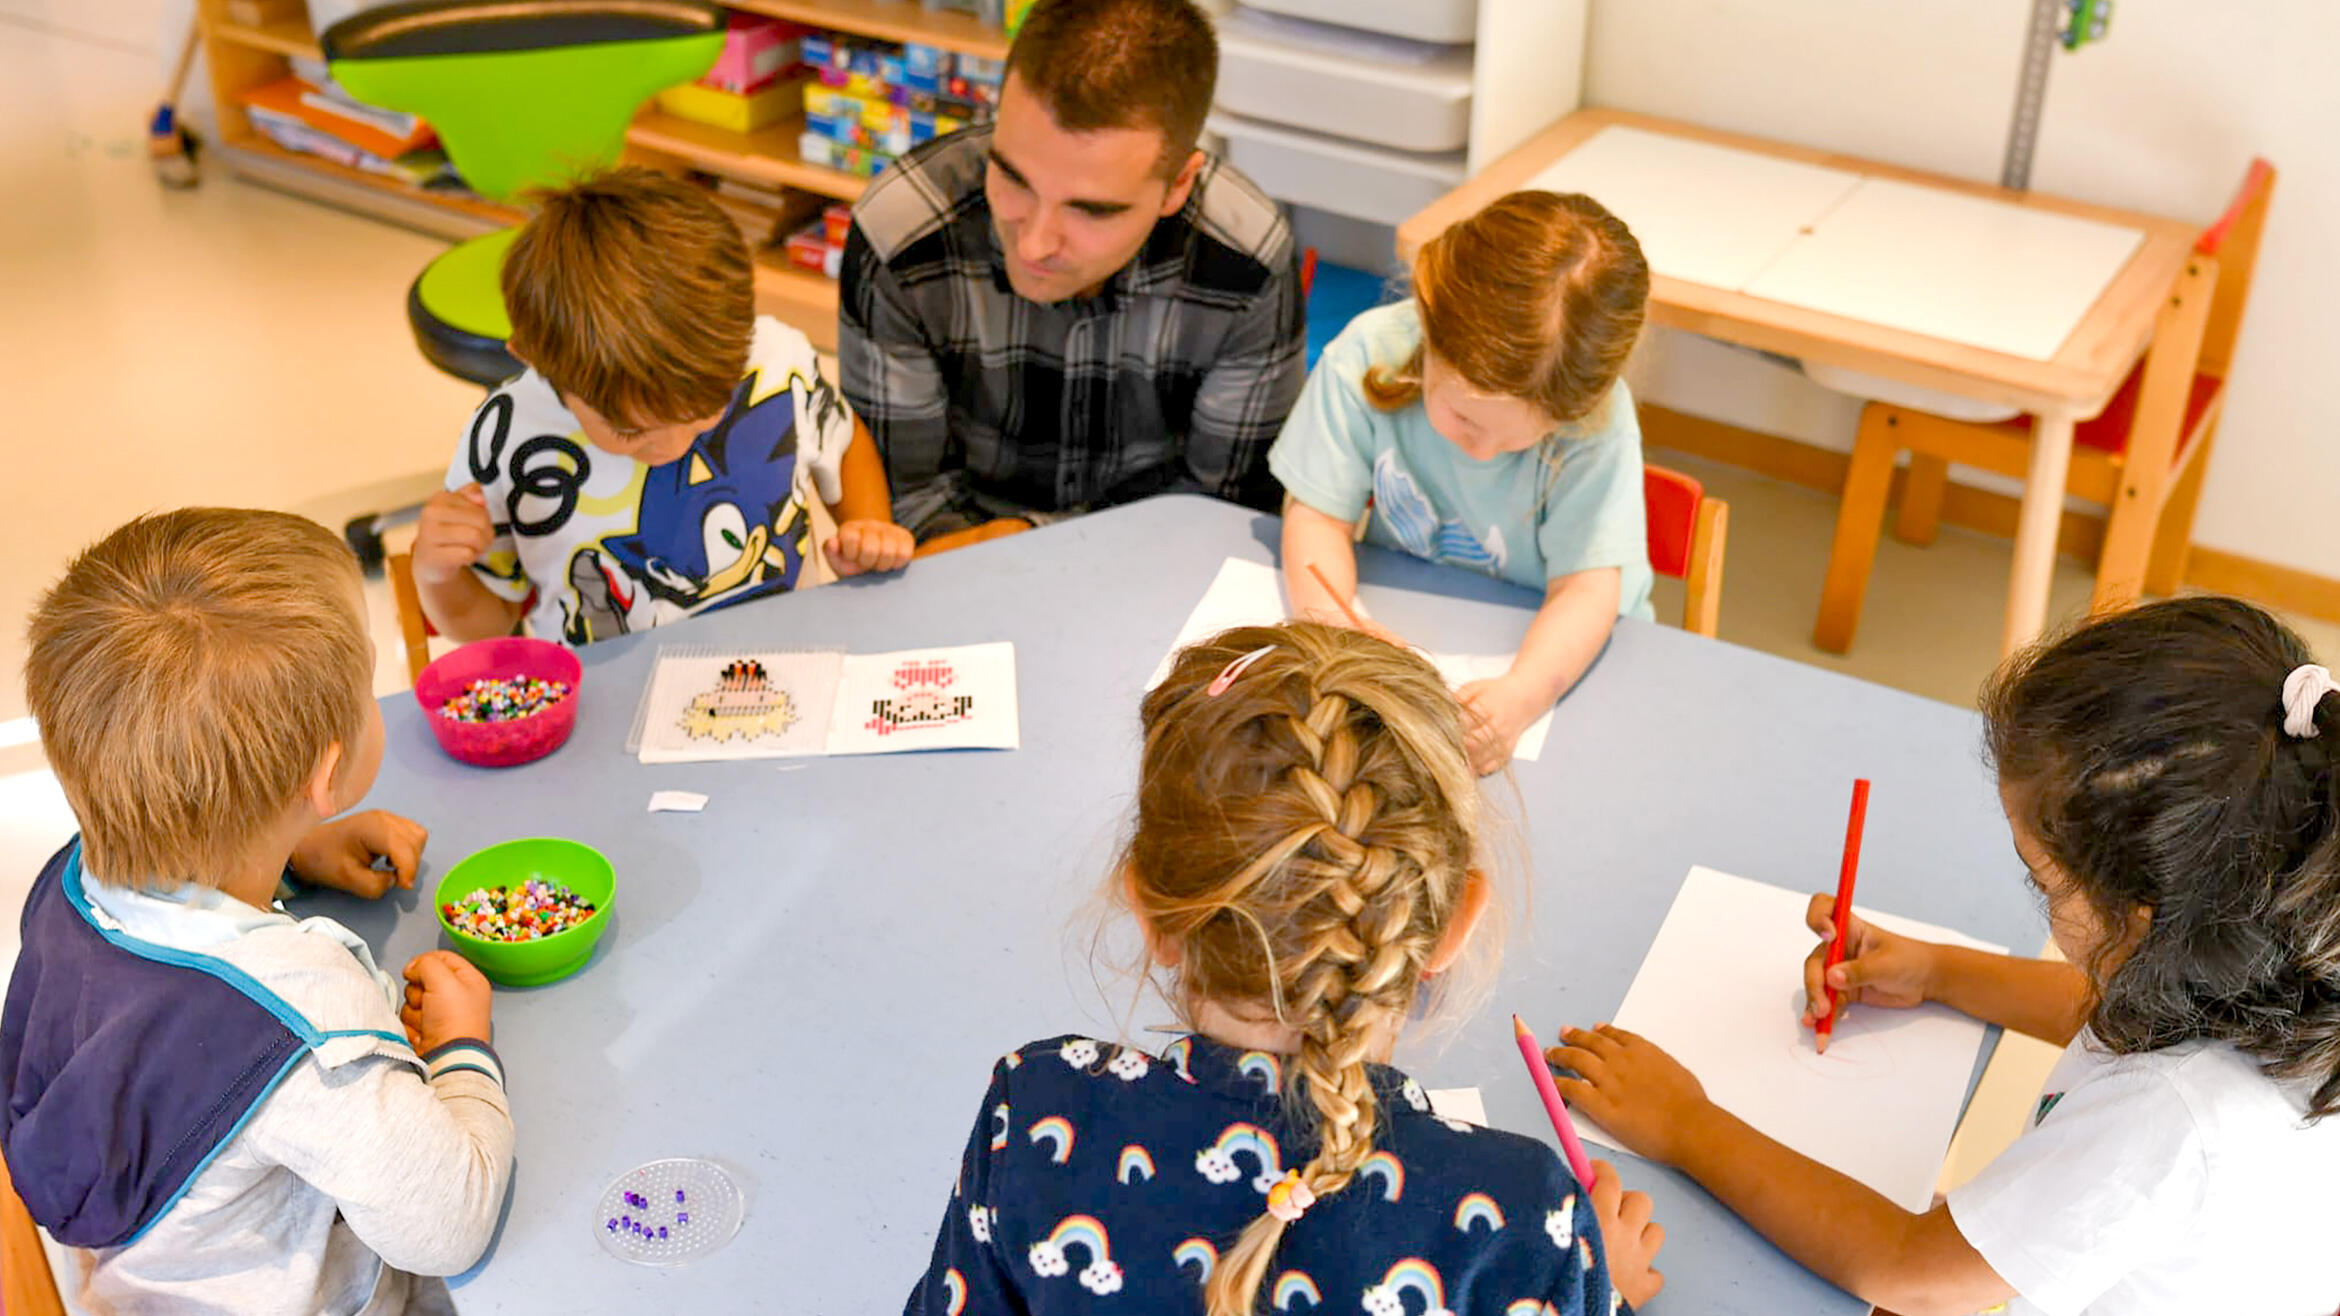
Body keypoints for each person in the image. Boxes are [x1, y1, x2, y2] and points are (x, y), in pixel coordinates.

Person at [1553, 597, 2340, 1315]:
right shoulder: (2278, 931)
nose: (2036, 897)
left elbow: (1909, 1272)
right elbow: (2116, 1008)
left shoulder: (2171, 1124)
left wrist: (1687, 1123)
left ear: (2141, 919)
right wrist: (1937, 970)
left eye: (2042, 883)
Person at [906, 622, 1666, 1314]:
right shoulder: (1525, 1217)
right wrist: (1601, 1289)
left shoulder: (1040, 1109)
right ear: (1453, 923)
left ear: (1152, 908)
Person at [1, 509, 513, 1313]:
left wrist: (291, 853)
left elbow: (171, 931)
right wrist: (460, 1049)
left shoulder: (70, 883)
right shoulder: (307, 1026)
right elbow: (449, 1225)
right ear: (326, 773)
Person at [841, 0, 1304, 550]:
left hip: (1153, 562)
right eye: (1012, 178)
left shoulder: (1246, 265)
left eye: (1092, 210)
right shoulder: (902, 233)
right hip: (959, 560)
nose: (1034, 242)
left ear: (1178, 185)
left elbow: (1225, 512)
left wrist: (1020, 537)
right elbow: (906, 501)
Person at [414, 166, 910, 646]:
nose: (673, 448)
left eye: (707, 411)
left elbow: (842, 443)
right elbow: (488, 625)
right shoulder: (507, 437)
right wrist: (437, 574)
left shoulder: (774, 359)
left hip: (786, 673)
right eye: (630, 432)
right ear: (536, 358)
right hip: (605, 705)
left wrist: (867, 526)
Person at [1271, 192, 1655, 775]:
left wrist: (1522, 695)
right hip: (1420, 608)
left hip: (1577, 657)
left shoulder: (1597, 420)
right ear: (1428, 328)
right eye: (1466, 419)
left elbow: (1586, 590)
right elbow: (1317, 518)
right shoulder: (1368, 354)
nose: (1482, 451)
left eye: (1520, 438)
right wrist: (1333, 623)